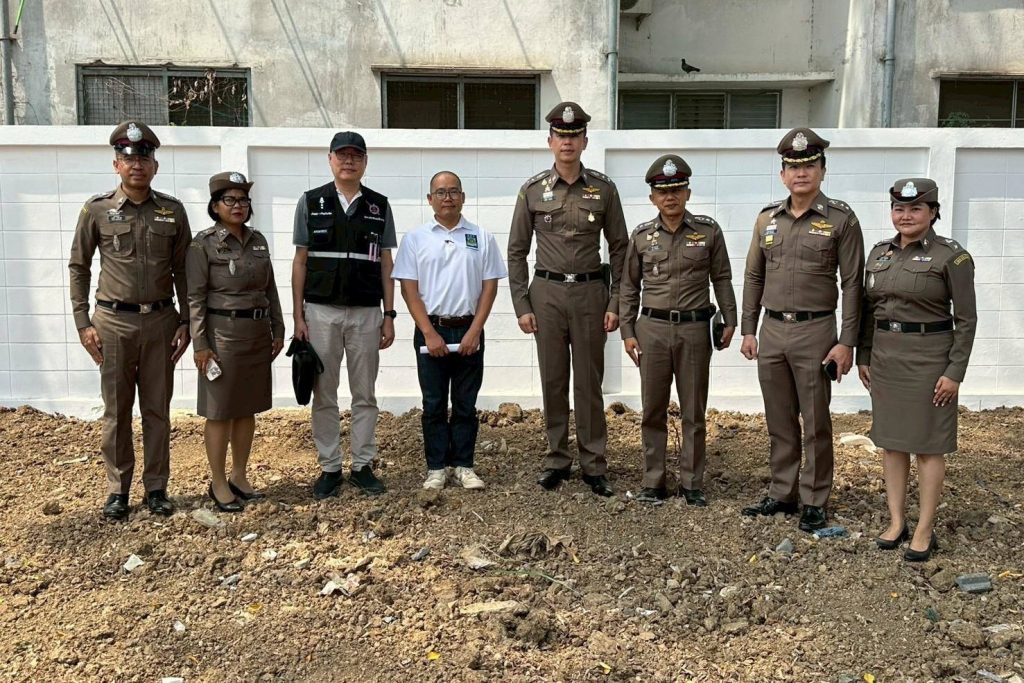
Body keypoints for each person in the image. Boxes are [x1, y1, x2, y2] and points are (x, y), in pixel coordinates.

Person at [739, 127, 864, 532]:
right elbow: (753, 276)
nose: (801, 173)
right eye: (793, 167)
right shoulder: (767, 219)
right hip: (773, 330)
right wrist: (748, 329)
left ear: (823, 170)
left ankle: (814, 499)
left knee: (815, 421)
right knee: (779, 419)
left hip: (816, 332)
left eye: (809, 165)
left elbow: (853, 284)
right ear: (782, 175)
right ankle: (782, 492)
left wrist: (847, 342)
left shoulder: (841, 219)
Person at [68, 121, 192, 520]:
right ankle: (117, 490)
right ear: (116, 165)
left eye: (144, 158)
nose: (136, 164)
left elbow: (184, 271)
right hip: (113, 324)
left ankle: (156, 488)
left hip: (160, 322)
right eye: (128, 158)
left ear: (155, 165)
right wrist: (82, 322)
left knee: (157, 411)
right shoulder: (97, 209)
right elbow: (78, 266)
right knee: (117, 411)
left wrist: (187, 321)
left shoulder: (172, 211)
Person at [507, 101, 629, 497]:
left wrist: (615, 302)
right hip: (547, 294)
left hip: (591, 294)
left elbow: (621, 248)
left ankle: (594, 464)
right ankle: (557, 459)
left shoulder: (604, 189)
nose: (567, 142)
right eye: (561, 135)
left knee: (589, 382)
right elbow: (516, 250)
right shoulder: (532, 190)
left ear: (585, 142)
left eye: (574, 136)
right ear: (550, 141)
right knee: (553, 380)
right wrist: (522, 305)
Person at [857, 178, 976, 561]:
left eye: (915, 208)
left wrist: (954, 371)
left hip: (929, 360)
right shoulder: (879, 253)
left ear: (933, 212)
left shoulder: (952, 257)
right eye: (899, 209)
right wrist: (864, 355)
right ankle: (897, 521)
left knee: (928, 446)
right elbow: (868, 312)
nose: (905, 216)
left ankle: (924, 528)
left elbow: (967, 320)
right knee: (892, 443)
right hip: (886, 358)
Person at [620, 155, 737, 505]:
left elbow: (722, 278)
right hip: (652, 330)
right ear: (652, 198)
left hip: (694, 331)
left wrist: (730, 319)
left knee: (693, 411)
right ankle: (653, 481)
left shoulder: (708, 231)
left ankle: (691, 483)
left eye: (676, 190)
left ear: (688, 193)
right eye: (662, 192)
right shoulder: (642, 236)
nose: (670, 197)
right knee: (652, 409)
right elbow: (628, 286)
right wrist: (627, 331)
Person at [291, 131, 396, 499]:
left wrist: (389, 314)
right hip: (321, 313)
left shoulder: (379, 206)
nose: (349, 161)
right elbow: (300, 261)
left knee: (364, 393)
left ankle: (363, 465)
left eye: (356, 155)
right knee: (324, 394)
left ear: (365, 162)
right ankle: (330, 467)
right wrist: (298, 316)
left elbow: (386, 263)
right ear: (330, 159)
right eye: (342, 154)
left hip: (367, 313)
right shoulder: (311, 201)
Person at [393, 171, 508, 490]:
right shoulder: (416, 239)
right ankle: (436, 468)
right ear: (430, 199)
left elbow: (489, 287)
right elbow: (408, 289)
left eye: (454, 191)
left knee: (465, 404)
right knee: (433, 403)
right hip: (431, 331)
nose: (448, 198)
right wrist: (429, 332)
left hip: (469, 330)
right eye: (441, 192)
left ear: (463, 197)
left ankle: (463, 465)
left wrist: (475, 330)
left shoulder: (481, 237)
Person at [187, 172, 285, 512]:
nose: (238, 206)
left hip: (256, 334)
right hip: (222, 337)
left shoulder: (258, 241)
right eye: (229, 200)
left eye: (243, 200)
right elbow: (195, 298)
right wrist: (200, 344)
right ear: (215, 206)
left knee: (247, 408)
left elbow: (270, 288)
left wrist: (278, 327)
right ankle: (217, 481)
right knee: (220, 412)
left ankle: (239, 476)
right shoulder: (203, 244)